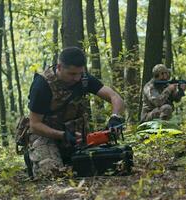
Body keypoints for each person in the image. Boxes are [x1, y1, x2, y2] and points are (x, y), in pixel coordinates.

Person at [27, 47, 125, 177]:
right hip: (46, 137)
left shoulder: (84, 79)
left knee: (103, 165)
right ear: (60, 67)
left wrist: (115, 117)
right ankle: (35, 157)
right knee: (52, 174)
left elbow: (115, 97)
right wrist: (63, 135)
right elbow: (34, 125)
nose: (77, 78)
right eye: (72, 74)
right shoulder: (42, 85)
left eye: (80, 73)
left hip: (76, 138)